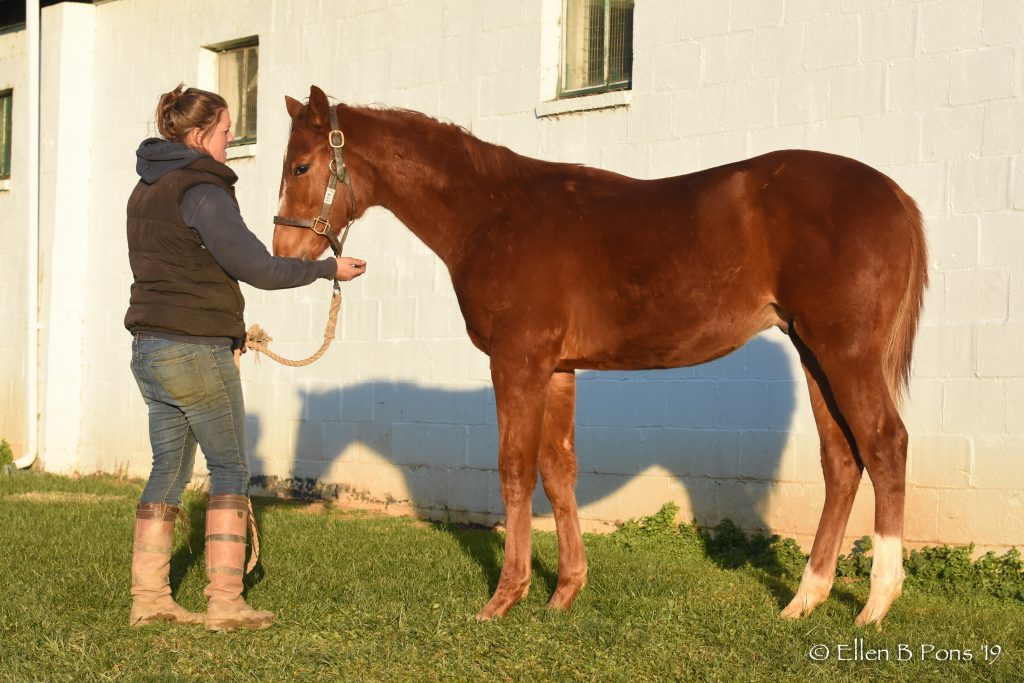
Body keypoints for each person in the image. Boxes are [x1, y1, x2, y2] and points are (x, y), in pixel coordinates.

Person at [125, 84, 365, 630]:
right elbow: (257, 266)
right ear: (199, 133)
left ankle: (149, 599)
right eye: (227, 131)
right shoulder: (203, 191)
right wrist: (327, 269)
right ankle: (226, 603)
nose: (232, 140)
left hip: (150, 350)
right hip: (196, 351)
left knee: (168, 468)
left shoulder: (147, 189)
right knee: (230, 467)